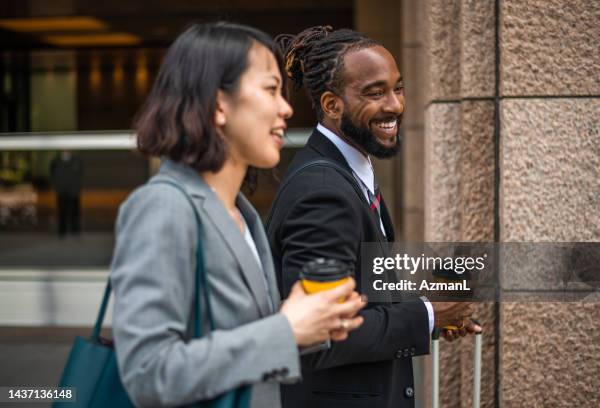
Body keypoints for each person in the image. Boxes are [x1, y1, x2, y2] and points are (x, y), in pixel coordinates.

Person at [110, 23, 366, 408]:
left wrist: (314, 323)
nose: (286, 108)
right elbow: (148, 374)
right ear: (217, 104)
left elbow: (248, 339)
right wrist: (287, 329)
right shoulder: (163, 207)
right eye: (270, 89)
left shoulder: (241, 213)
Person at [266, 26, 481, 408]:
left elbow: (359, 301)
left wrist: (429, 311)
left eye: (398, 88)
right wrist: (427, 315)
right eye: (375, 92)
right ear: (332, 105)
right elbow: (321, 334)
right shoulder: (323, 192)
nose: (396, 105)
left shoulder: (346, 173)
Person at [50, 150, 82, 237]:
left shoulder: (76, 160)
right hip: (61, 191)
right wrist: (57, 187)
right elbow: (52, 175)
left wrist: (77, 187)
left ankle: (75, 230)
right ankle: (62, 231)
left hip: (74, 190)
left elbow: (81, 175)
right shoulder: (55, 161)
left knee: (75, 212)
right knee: (61, 211)